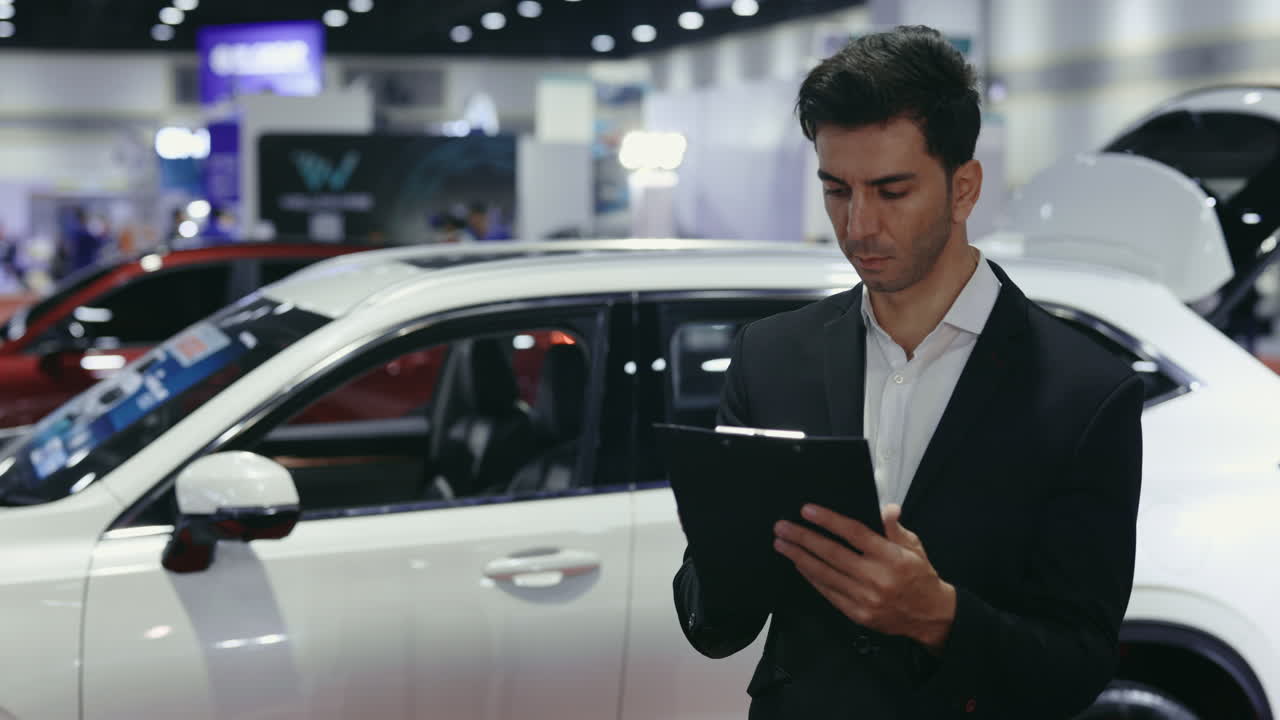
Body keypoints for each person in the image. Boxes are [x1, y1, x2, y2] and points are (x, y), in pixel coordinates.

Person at [672, 25, 1143, 719]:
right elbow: (711, 625)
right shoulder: (772, 356)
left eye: (891, 191)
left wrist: (939, 615)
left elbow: (1077, 665)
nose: (858, 224)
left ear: (964, 188)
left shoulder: (1085, 393)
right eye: (836, 190)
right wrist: (730, 538)